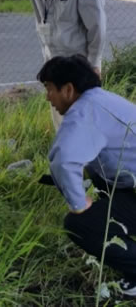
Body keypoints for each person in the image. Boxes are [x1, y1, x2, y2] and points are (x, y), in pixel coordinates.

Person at [37, 55, 136, 296]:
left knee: (80, 224)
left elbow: (63, 161)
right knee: (97, 177)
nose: (48, 97)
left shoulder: (83, 113)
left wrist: (79, 205)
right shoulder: (101, 99)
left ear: (68, 89)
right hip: (129, 179)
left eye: (50, 89)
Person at [25, 0, 107, 128]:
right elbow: (39, 18)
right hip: (53, 60)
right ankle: (66, 159)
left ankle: (90, 161)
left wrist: (95, 63)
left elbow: (96, 24)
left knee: (85, 123)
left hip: (80, 64)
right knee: (61, 123)